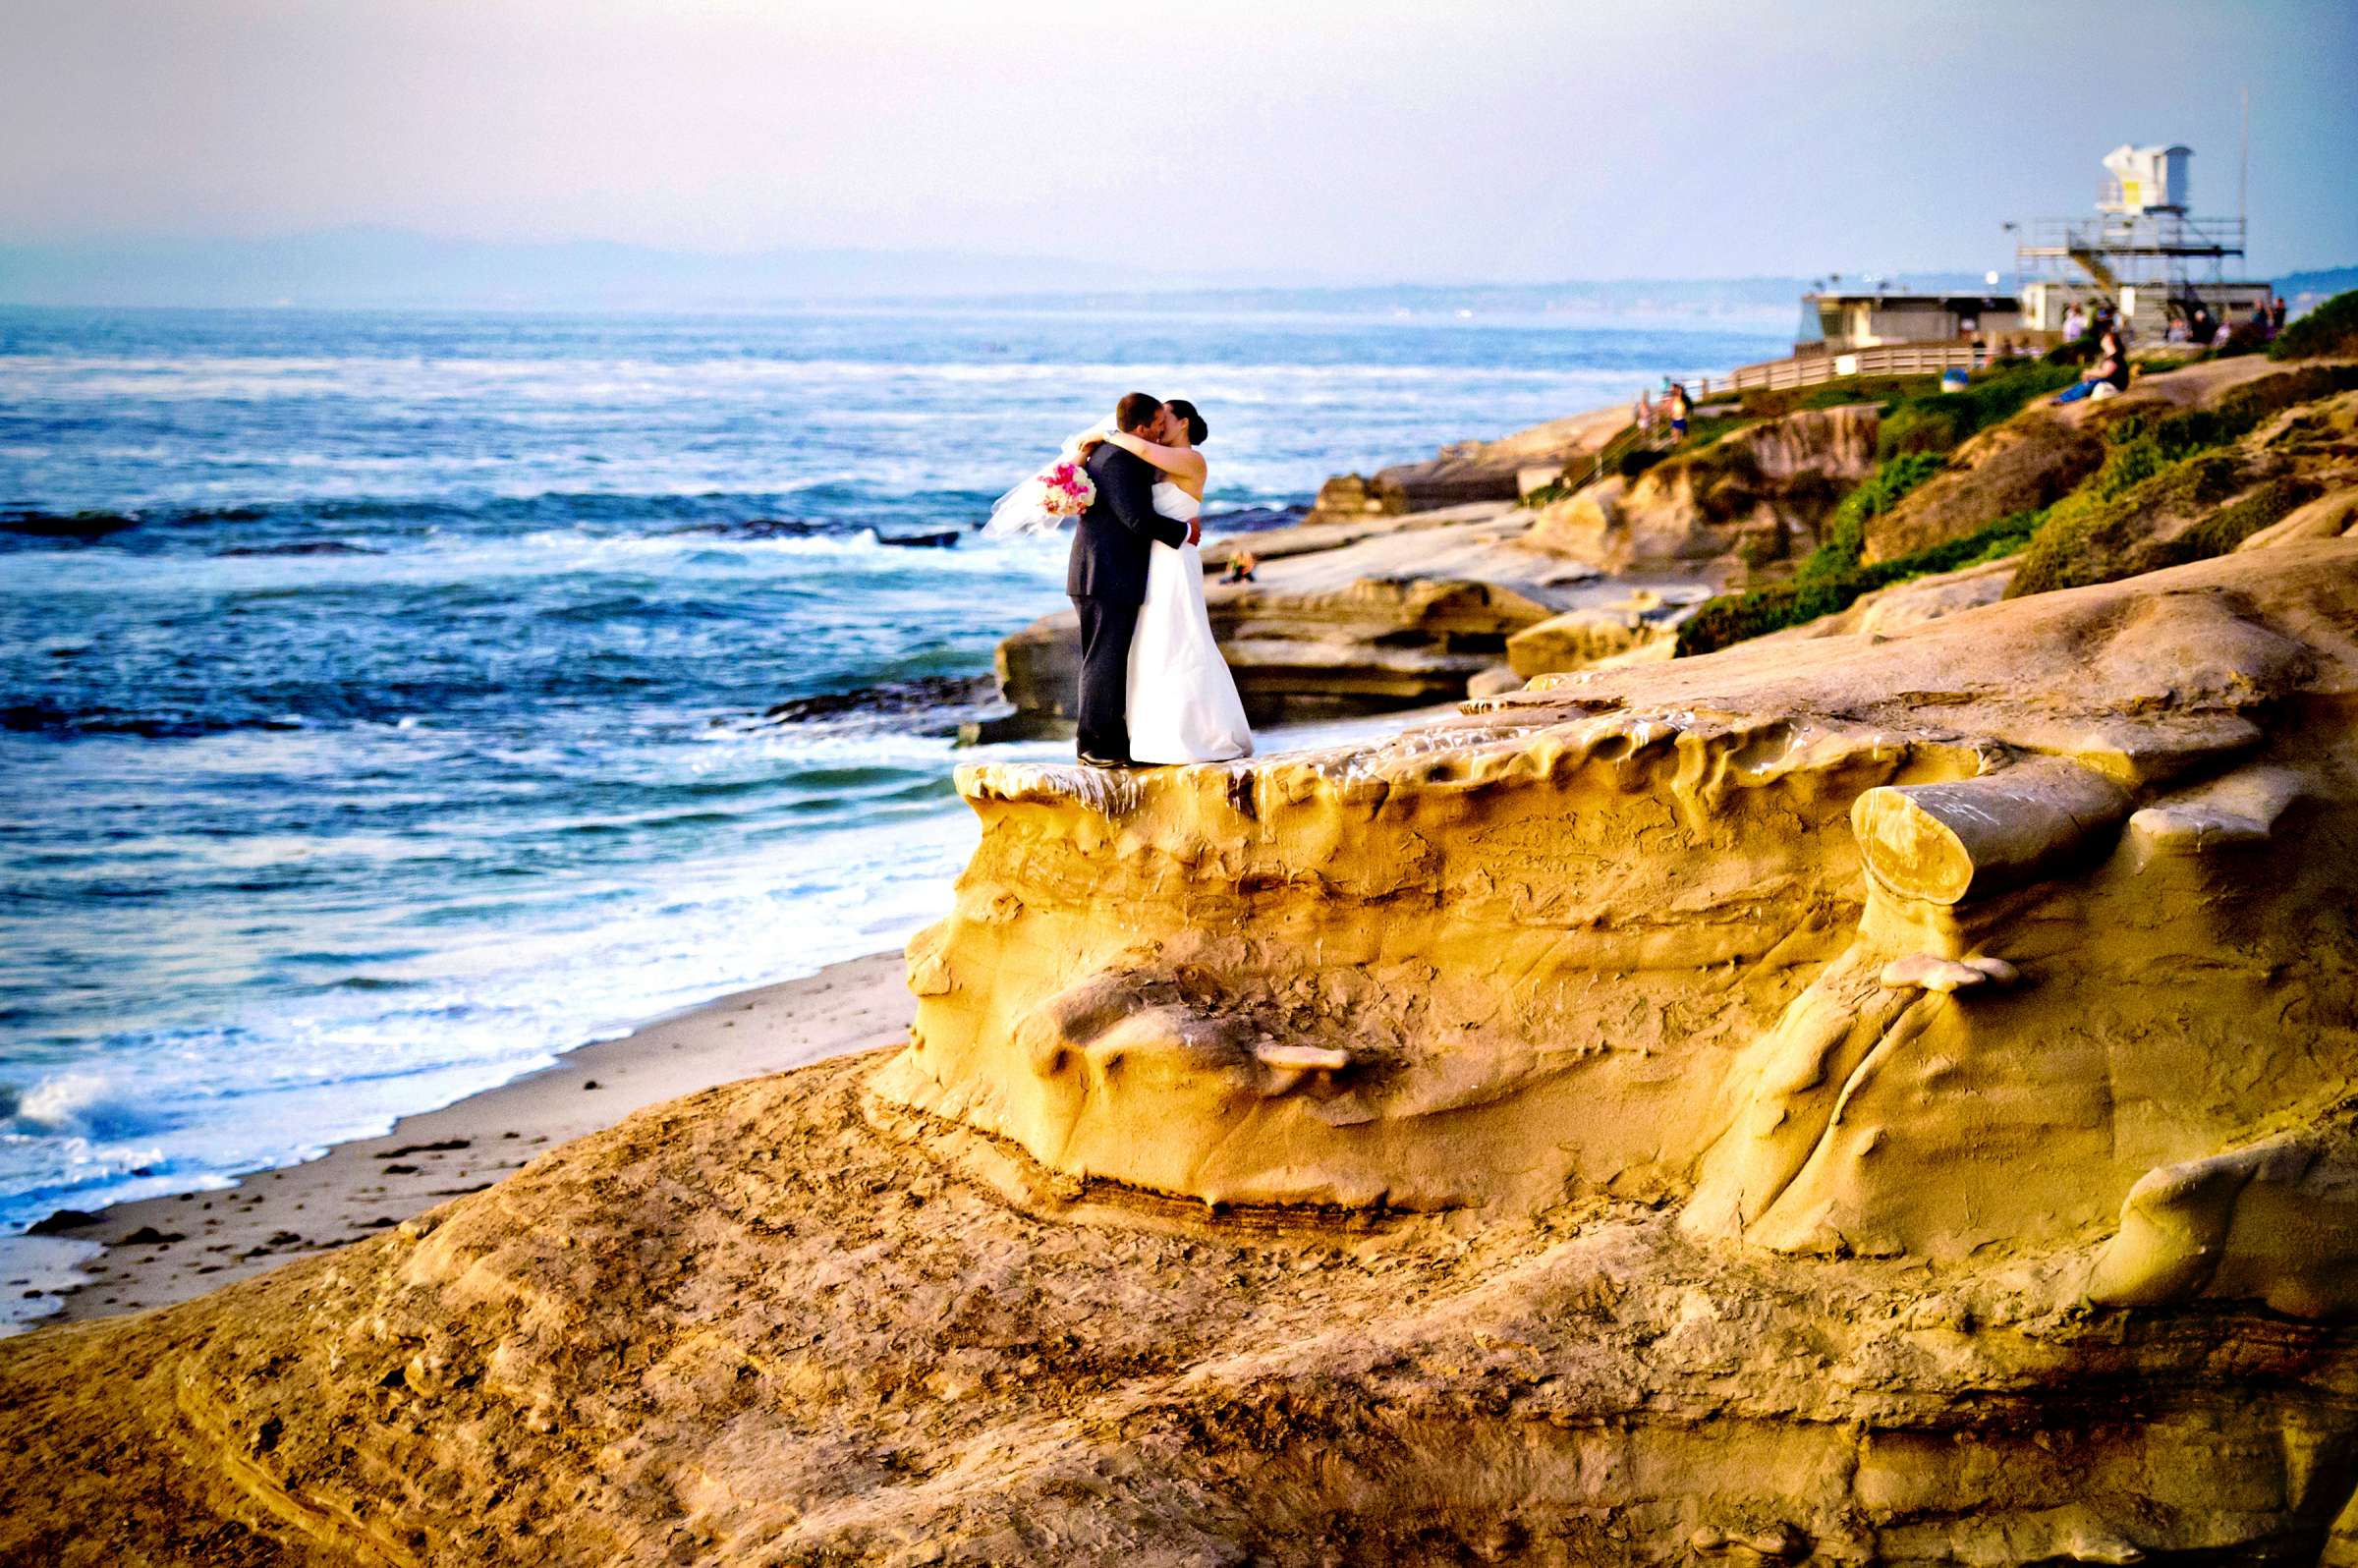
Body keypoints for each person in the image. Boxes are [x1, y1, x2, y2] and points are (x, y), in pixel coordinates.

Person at [1091, 399, 1254, 764]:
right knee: (1152, 644)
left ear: (1182, 423)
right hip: (1153, 560)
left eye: (1164, 419)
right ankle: (1154, 736)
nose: (1159, 425)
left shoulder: (1191, 459)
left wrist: (1102, 433)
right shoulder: (1156, 460)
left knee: (1182, 639)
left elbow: (1138, 445)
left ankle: (1197, 733)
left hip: (1176, 559)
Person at [1064, 392, 1195, 767]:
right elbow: (1136, 519)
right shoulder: (1122, 460)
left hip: (1100, 571)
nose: (1159, 431)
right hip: (1106, 572)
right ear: (1141, 427)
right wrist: (1184, 532)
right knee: (1103, 660)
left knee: (1109, 657)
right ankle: (1092, 745)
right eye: (1156, 425)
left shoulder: (1107, 453)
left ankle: (1111, 739)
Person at [2054, 328, 2128, 404]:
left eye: (2105, 338)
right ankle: (2062, 397)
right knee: (2083, 384)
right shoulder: (2108, 356)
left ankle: (2065, 399)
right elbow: (2101, 371)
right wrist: (2090, 374)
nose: (2102, 339)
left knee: (2088, 385)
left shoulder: (2115, 356)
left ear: (2110, 341)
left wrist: (2089, 373)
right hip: (2108, 381)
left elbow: (2106, 373)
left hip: (2115, 384)